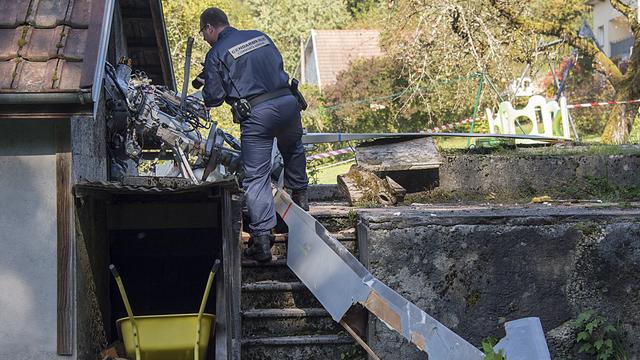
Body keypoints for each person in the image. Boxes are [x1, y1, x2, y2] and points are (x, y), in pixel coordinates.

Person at [197, 8, 309, 262]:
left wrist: (211, 84)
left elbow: (213, 98)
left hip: (259, 115)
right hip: (289, 104)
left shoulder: (215, 53)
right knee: (293, 151)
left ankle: (261, 242)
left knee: (256, 177)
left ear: (210, 28)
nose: (204, 38)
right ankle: (302, 204)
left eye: (203, 32)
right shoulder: (260, 36)